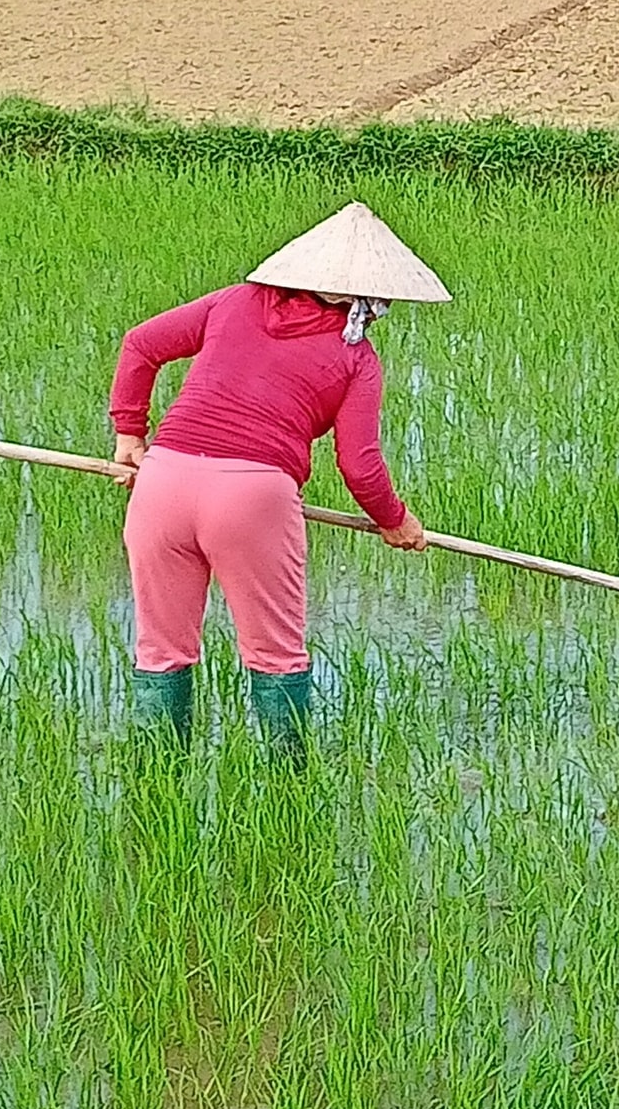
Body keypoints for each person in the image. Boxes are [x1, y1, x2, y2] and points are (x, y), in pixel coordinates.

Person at [108, 203, 451, 757]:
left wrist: (130, 438)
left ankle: (157, 785)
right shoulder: (356, 357)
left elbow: (141, 344)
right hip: (253, 497)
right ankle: (288, 795)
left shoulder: (235, 301)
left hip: (163, 481)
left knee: (161, 651)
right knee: (275, 656)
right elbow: (359, 465)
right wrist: (395, 521)